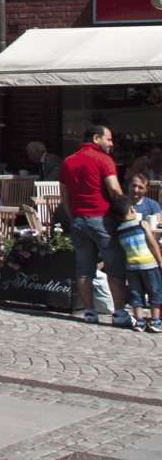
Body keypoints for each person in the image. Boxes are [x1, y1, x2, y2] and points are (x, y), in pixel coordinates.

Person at [60, 124, 131, 326]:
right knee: (115, 267)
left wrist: (72, 217)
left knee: (84, 269)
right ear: (96, 138)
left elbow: (64, 194)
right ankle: (119, 314)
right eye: (108, 139)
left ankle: (90, 312)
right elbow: (115, 190)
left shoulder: (69, 161)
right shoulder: (104, 159)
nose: (111, 143)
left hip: (79, 219)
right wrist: (127, 213)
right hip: (102, 219)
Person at [109, 192, 162, 333]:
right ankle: (155, 321)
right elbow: (152, 243)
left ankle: (139, 322)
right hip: (149, 265)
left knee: (135, 293)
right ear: (132, 209)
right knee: (155, 292)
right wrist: (160, 261)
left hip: (132, 267)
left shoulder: (119, 231)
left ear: (118, 217)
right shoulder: (142, 224)